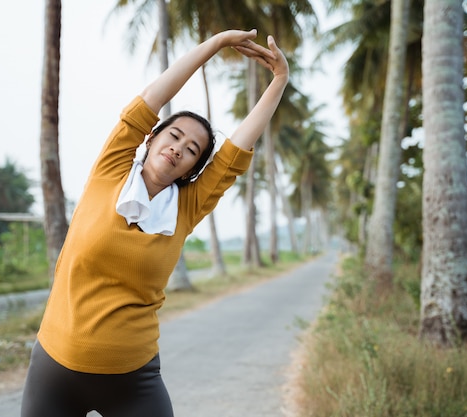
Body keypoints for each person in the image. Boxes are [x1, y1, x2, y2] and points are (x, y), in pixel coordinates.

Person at [21, 28, 289, 417]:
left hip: (132, 378)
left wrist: (279, 80)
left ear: (193, 169)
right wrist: (214, 45)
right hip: (55, 369)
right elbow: (152, 97)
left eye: (192, 150)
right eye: (174, 135)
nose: (179, 147)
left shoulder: (186, 207)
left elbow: (235, 151)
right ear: (150, 139)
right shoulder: (109, 172)